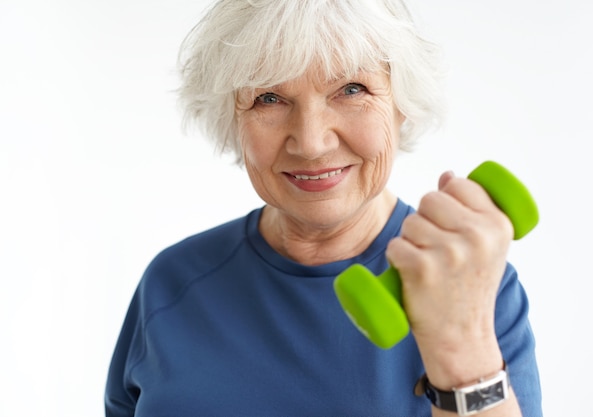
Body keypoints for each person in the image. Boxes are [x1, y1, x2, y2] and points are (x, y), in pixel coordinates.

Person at [105, 0, 542, 416]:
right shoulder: (170, 283)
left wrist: (462, 351)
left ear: (401, 107)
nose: (312, 142)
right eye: (269, 99)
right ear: (232, 119)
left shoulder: (474, 284)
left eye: (352, 89)